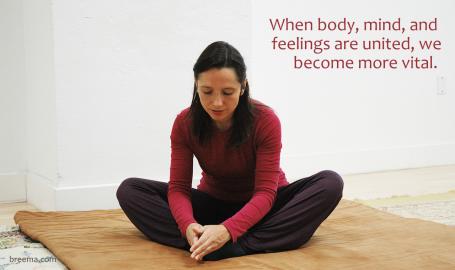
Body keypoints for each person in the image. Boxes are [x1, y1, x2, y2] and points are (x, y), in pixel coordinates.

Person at [116, 41, 344, 261]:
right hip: (214, 204)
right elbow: (179, 189)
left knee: (330, 183)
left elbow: (265, 193)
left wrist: (228, 230)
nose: (217, 102)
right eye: (207, 91)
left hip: (265, 206)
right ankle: (200, 240)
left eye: (227, 92)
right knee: (130, 190)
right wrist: (187, 225)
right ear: (196, 85)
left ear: (243, 86)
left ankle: (238, 245)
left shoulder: (265, 120)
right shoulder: (184, 122)